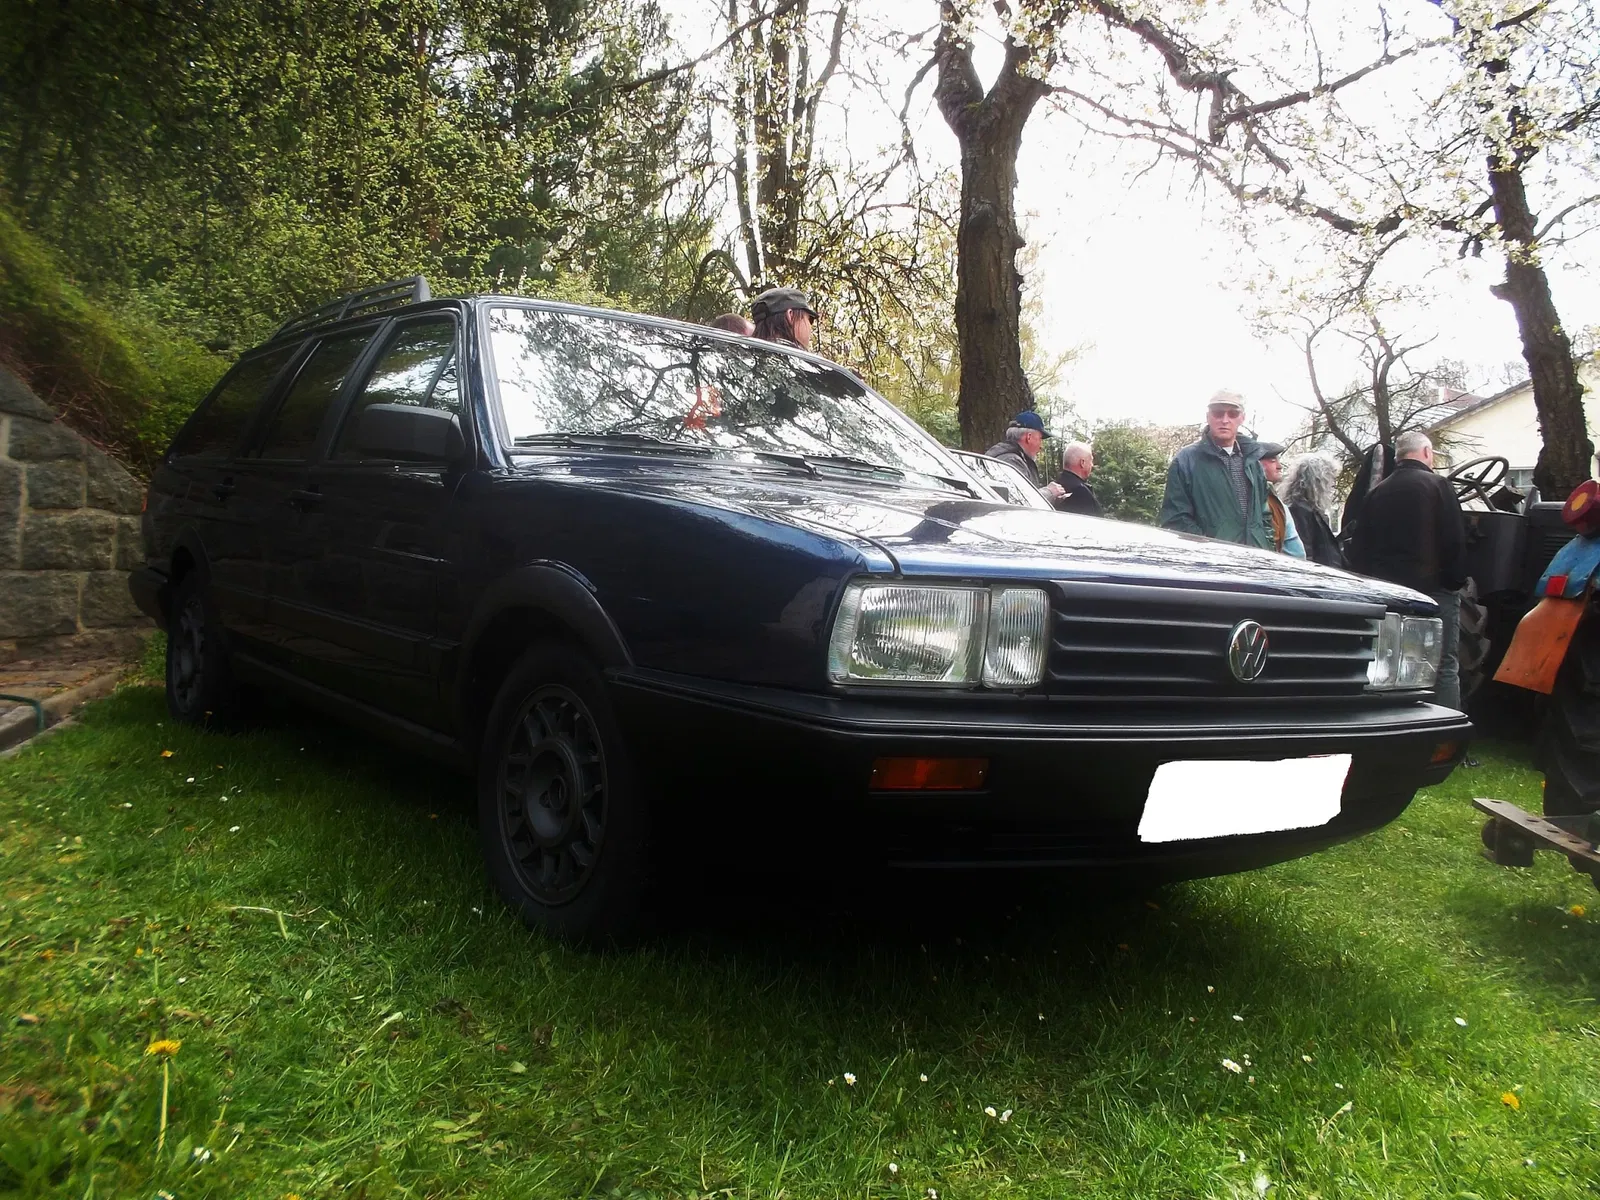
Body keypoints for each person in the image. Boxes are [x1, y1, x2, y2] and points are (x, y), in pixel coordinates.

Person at [1346, 430, 1467, 710]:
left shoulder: (1377, 492)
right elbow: (1454, 540)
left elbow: (1361, 548)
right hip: (1434, 591)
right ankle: (1447, 725)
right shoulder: (1438, 486)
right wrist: (1454, 583)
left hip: (1391, 594)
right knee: (1445, 665)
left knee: (1387, 664)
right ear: (1426, 452)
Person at [1157, 391, 1272, 548]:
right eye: (1218, 413)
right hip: (1211, 559)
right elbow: (1176, 519)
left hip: (1253, 557)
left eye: (1233, 414)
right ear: (1208, 417)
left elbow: (1264, 515)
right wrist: (1208, 549)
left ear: (1242, 418)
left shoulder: (1253, 462)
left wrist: (1267, 545)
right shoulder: (1186, 460)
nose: (1225, 420)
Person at [1280, 452, 1346, 569]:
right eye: (1330, 478)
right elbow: (1305, 553)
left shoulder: (1312, 510)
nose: (1333, 484)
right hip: (1317, 575)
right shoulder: (1300, 510)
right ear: (1318, 481)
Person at [985, 411, 1066, 500]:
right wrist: (1049, 492)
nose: (1041, 446)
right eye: (1040, 439)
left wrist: (1055, 499)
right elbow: (1020, 500)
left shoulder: (1007, 457)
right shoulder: (1011, 461)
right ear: (1029, 437)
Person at [1254, 442, 1306, 558]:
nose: (1279, 466)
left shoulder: (1275, 502)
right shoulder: (1253, 501)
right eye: (1273, 461)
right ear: (1256, 464)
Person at [750, 287, 818, 350]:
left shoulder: (748, 353)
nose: (810, 326)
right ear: (791, 315)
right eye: (810, 319)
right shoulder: (795, 358)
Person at [1053, 441, 1101, 516]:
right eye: (1091, 461)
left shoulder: (1053, 490)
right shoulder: (1081, 494)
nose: (1092, 465)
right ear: (1082, 463)